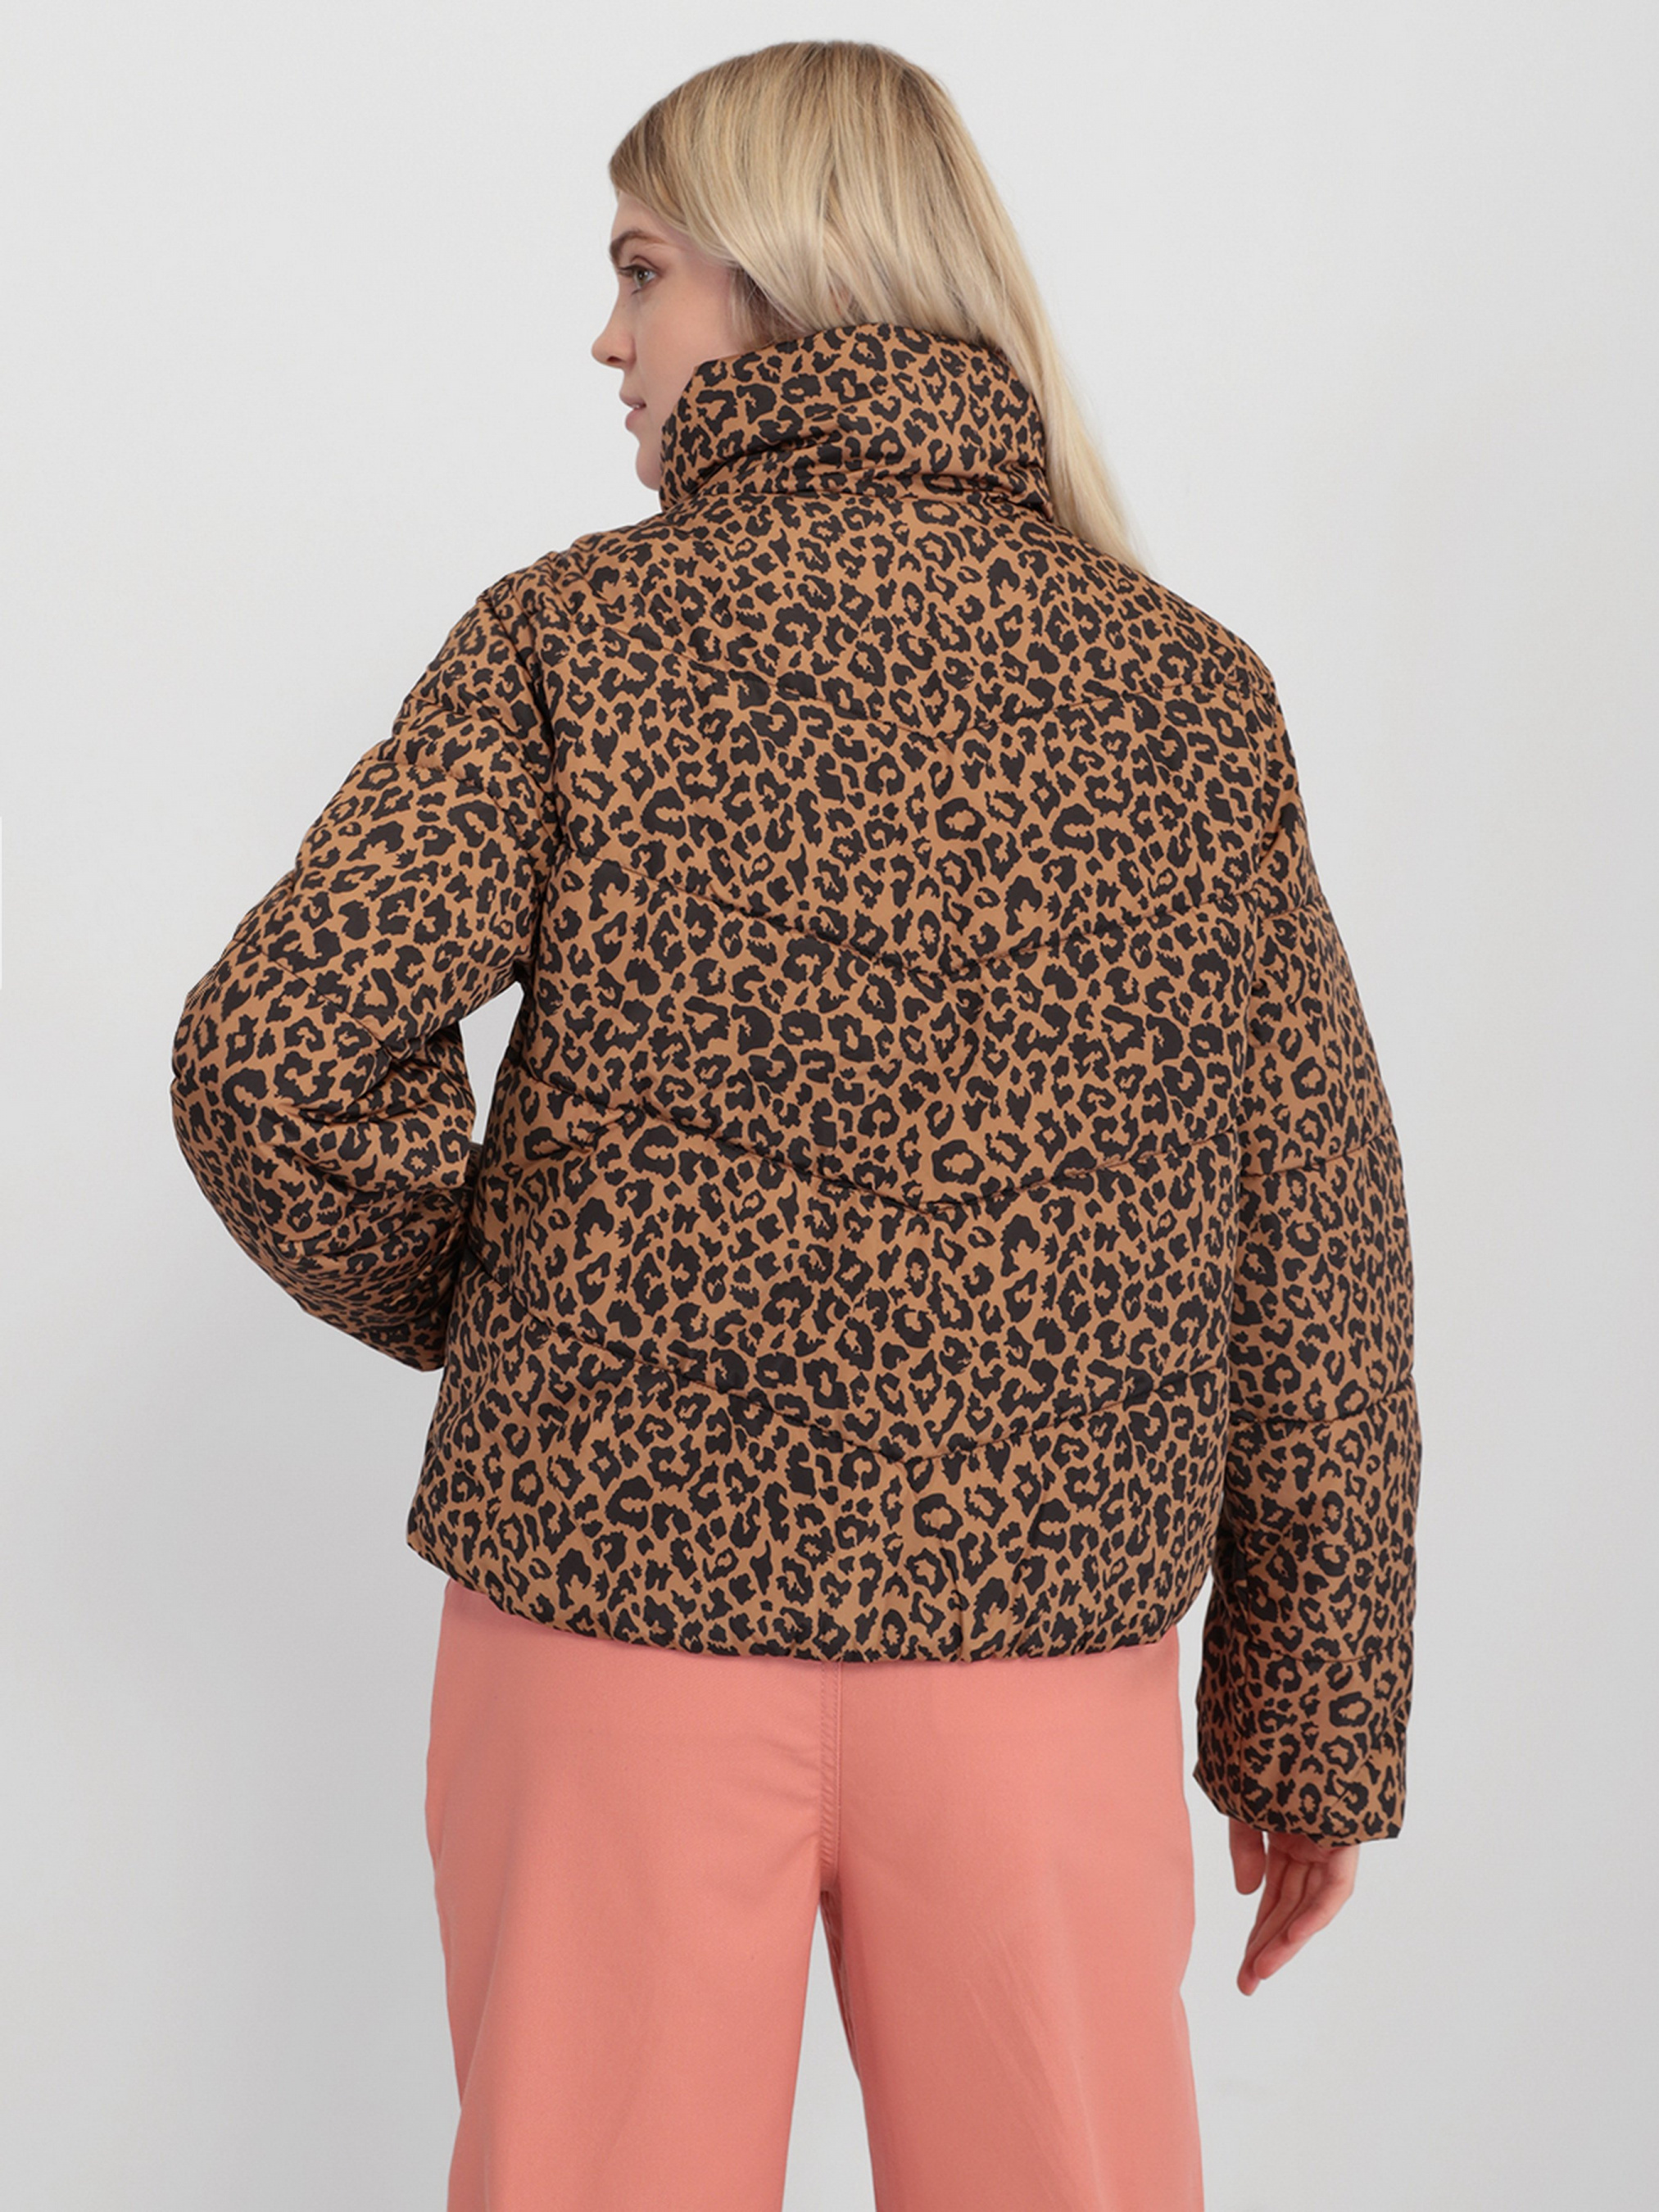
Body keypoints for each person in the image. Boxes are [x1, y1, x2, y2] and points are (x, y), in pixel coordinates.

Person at [170, 39, 1420, 2212]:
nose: (609, 336)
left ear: (780, 274)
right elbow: (1312, 1236)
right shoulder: (1184, 692)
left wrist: (524, 1315)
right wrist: (1307, 1722)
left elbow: (272, 1054)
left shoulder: (574, 641)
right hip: (1039, 1643)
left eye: (641, 267)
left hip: (608, 1617)